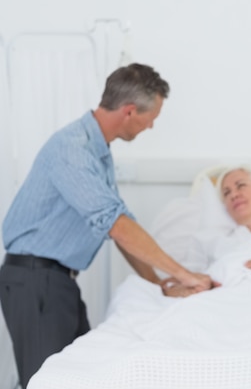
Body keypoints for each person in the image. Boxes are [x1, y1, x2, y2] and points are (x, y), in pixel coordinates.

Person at [0, 63, 216, 388]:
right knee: (47, 382)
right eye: (151, 117)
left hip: (55, 283)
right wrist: (185, 274)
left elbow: (119, 224)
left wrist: (159, 284)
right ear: (130, 111)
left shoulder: (98, 153)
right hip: (35, 282)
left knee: (83, 378)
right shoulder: (73, 149)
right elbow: (117, 226)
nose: (152, 126)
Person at [163, 165, 251, 297]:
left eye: (241, 185)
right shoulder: (210, 242)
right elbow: (177, 285)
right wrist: (184, 290)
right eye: (226, 193)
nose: (233, 195)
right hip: (228, 304)